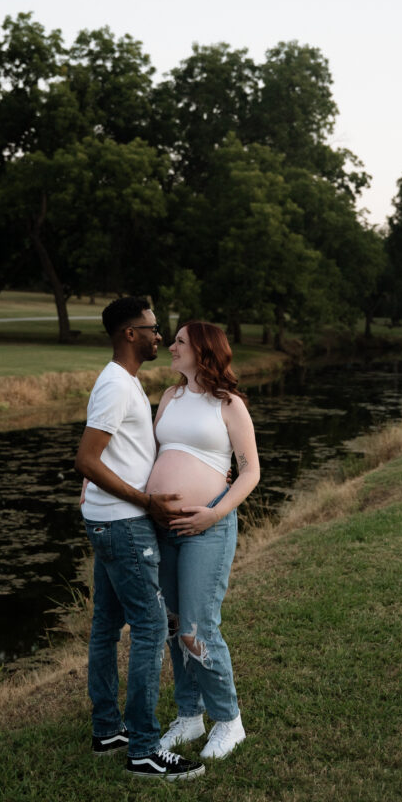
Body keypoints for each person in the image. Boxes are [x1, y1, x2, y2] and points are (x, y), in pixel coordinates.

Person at [74, 296, 205, 781]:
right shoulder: (115, 386)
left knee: (107, 625)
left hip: (110, 520)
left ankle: (108, 730)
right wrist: (144, 501)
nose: (160, 336)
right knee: (151, 629)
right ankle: (145, 750)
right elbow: (86, 460)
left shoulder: (123, 383)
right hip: (124, 525)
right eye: (152, 328)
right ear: (129, 334)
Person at [145, 320, 260, 760]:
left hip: (208, 527)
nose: (169, 346)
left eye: (178, 341)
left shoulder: (228, 404)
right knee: (175, 624)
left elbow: (250, 470)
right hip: (164, 528)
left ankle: (229, 721)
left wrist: (213, 511)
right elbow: (155, 453)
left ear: (202, 350)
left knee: (197, 627)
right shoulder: (171, 396)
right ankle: (190, 716)